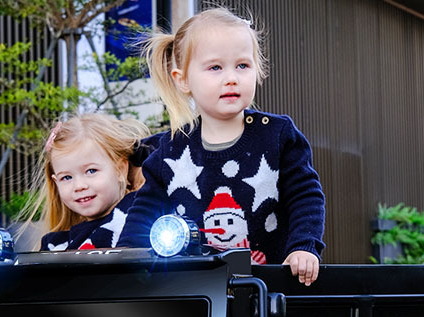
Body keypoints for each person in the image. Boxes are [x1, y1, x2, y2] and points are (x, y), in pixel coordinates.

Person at [118, 7, 325, 285]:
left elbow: (306, 196)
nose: (231, 77)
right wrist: (127, 260)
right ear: (183, 80)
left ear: (257, 70)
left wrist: (303, 246)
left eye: (242, 65)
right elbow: (143, 211)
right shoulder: (171, 150)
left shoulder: (277, 136)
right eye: (215, 67)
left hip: (270, 288)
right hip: (194, 291)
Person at [31, 114, 152, 252]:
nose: (79, 186)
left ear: (120, 169)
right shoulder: (55, 245)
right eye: (66, 178)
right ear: (56, 182)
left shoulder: (138, 216)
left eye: (91, 171)